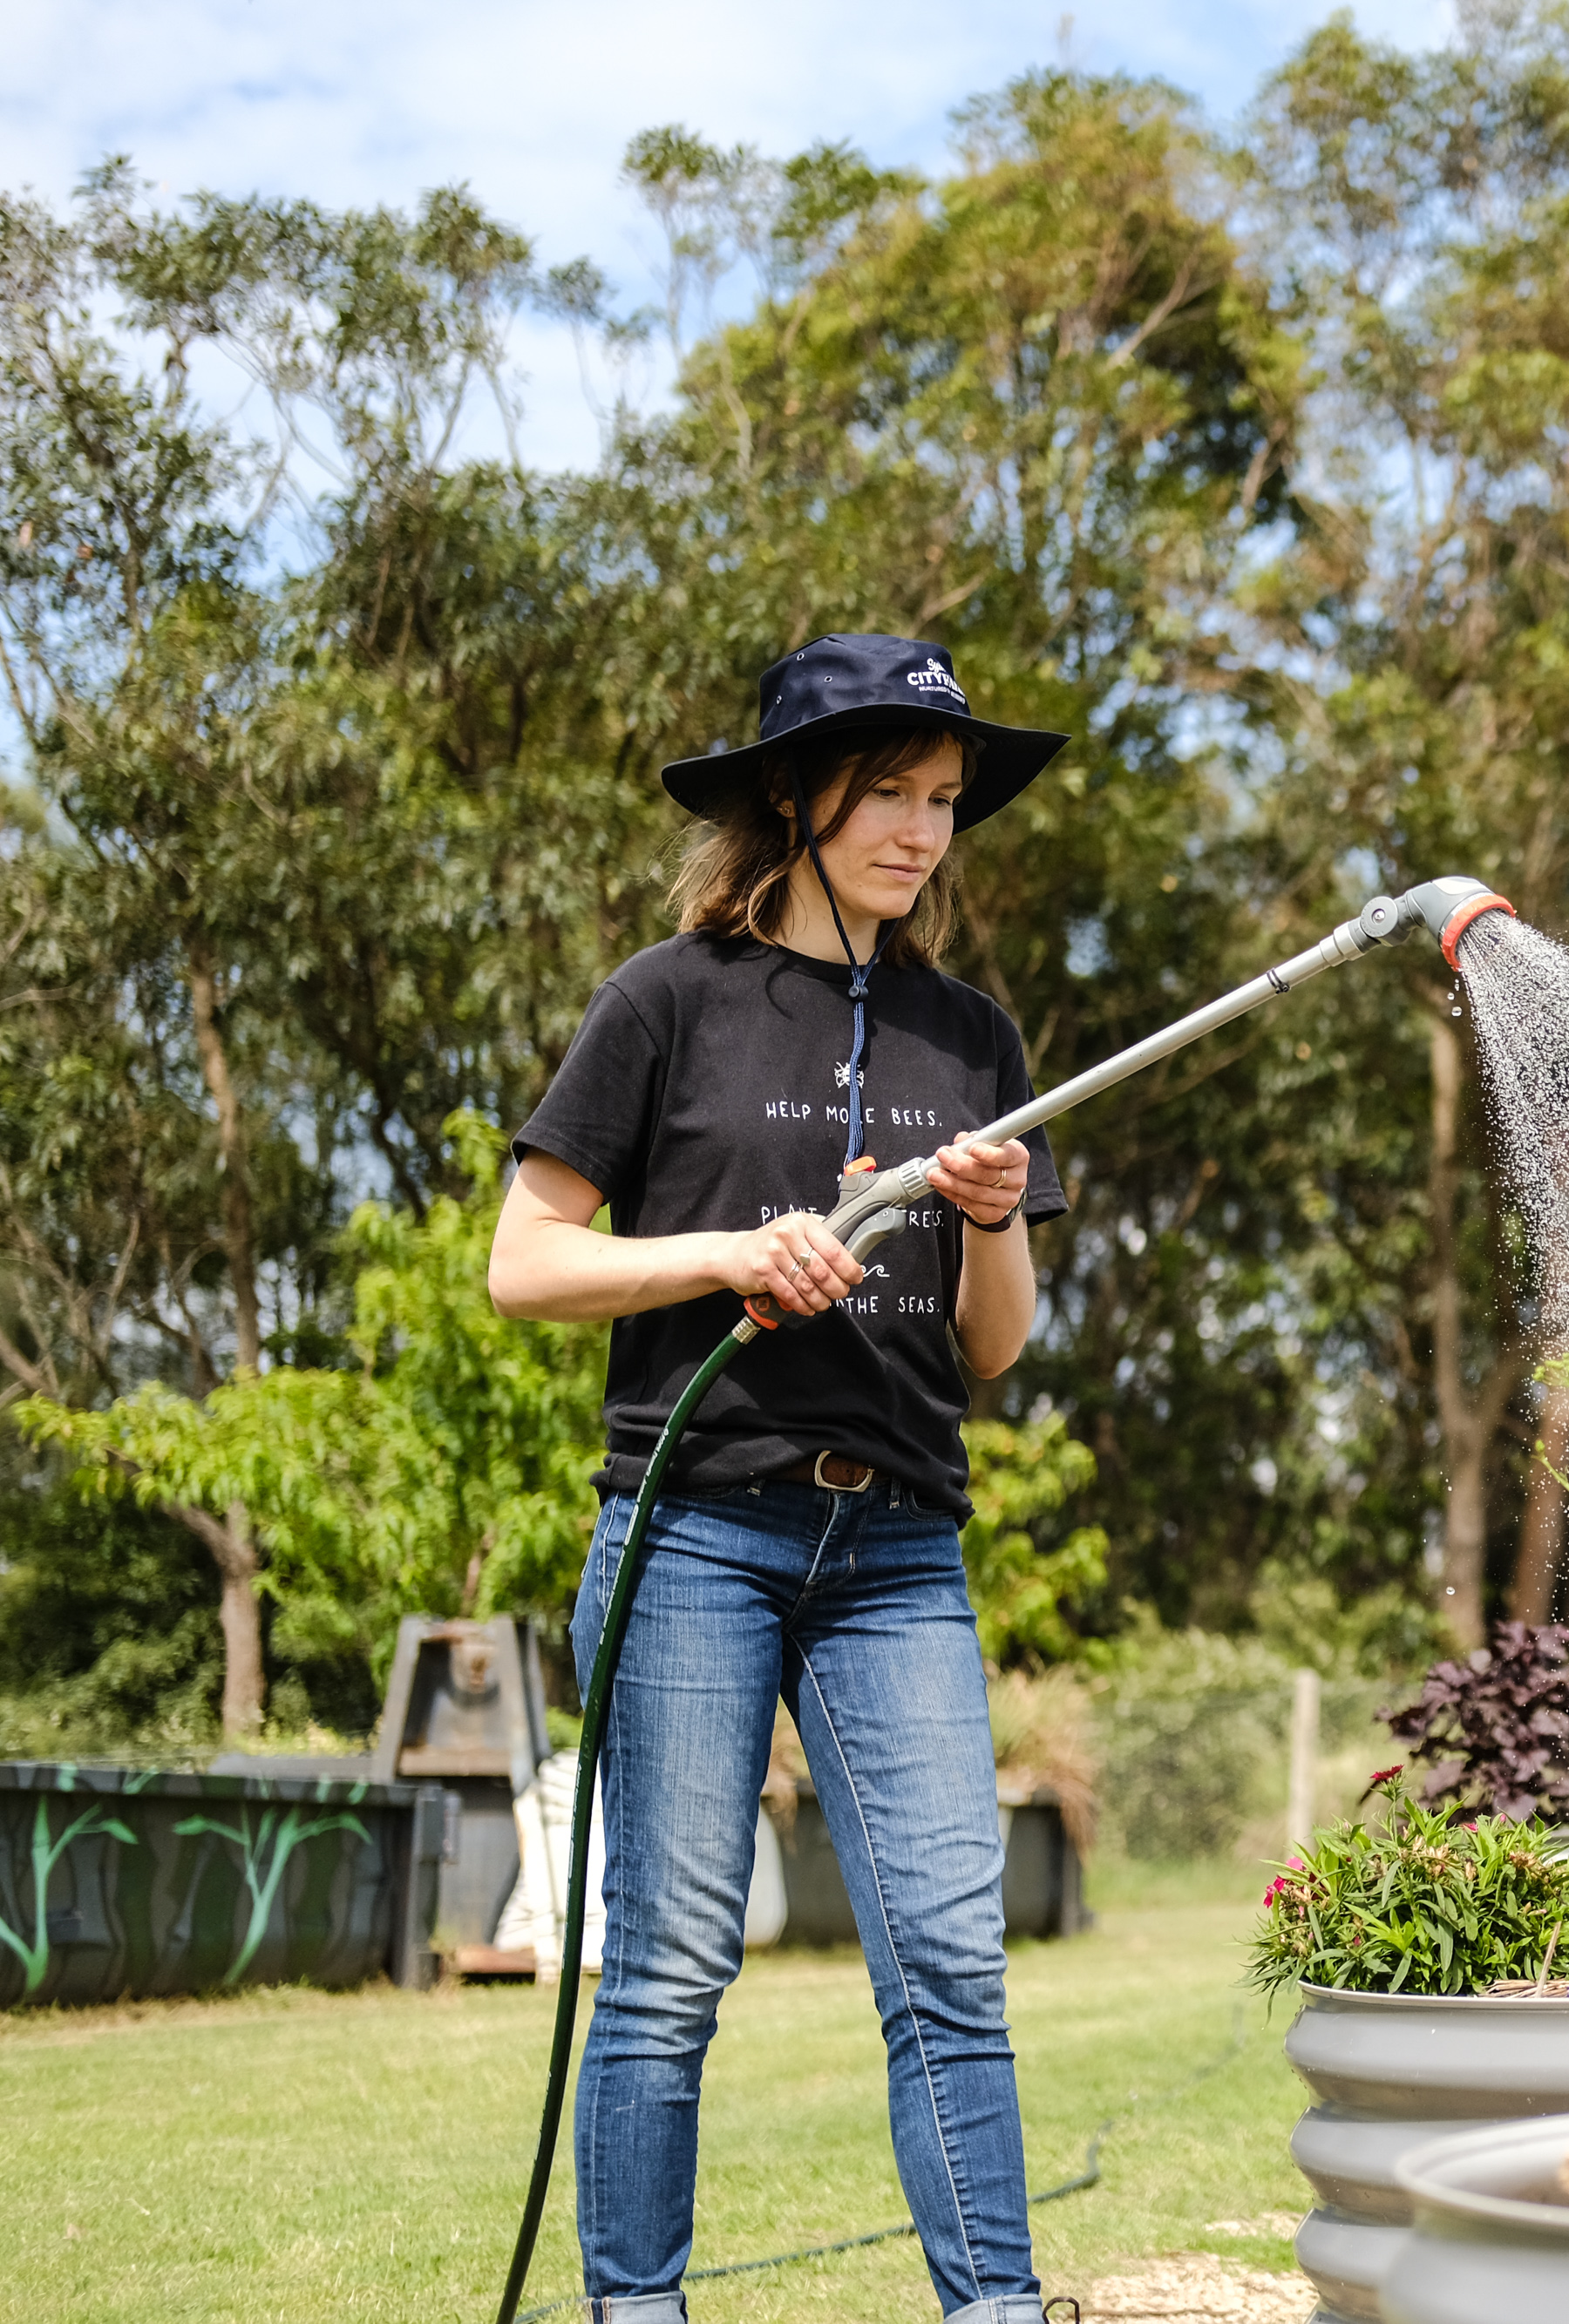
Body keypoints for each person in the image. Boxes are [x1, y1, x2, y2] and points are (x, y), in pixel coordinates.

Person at [489, 634, 1072, 2324]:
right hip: (697, 1528)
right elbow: (525, 1264)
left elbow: (991, 1346)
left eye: (944, 799)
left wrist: (983, 1223)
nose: (919, 829)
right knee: (669, 1971)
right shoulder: (667, 997)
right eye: (887, 789)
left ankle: (995, 2307)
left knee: (953, 1966)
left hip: (896, 1547)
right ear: (793, 797)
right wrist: (732, 1249)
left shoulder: (975, 1033)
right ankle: (636, 2308)